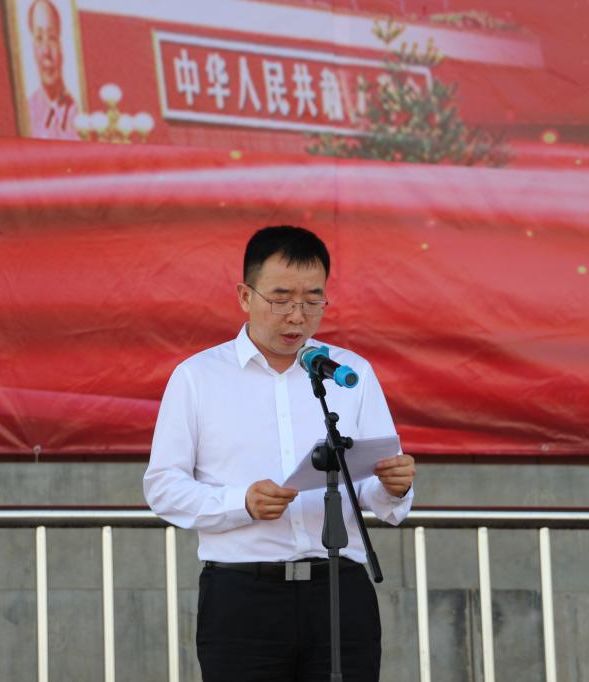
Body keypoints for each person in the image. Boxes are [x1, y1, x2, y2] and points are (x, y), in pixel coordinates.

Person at [143, 225, 416, 681]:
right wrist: (241, 502)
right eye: (281, 299)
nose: (297, 316)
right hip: (243, 597)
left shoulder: (350, 373)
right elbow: (163, 487)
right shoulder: (197, 377)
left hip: (339, 592)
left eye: (313, 300)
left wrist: (394, 486)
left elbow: (373, 488)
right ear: (244, 296)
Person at [25, 0, 79, 139]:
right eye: (39, 38)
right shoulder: (26, 113)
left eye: (52, 38)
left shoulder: (80, 111)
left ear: (62, 45)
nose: (46, 52)